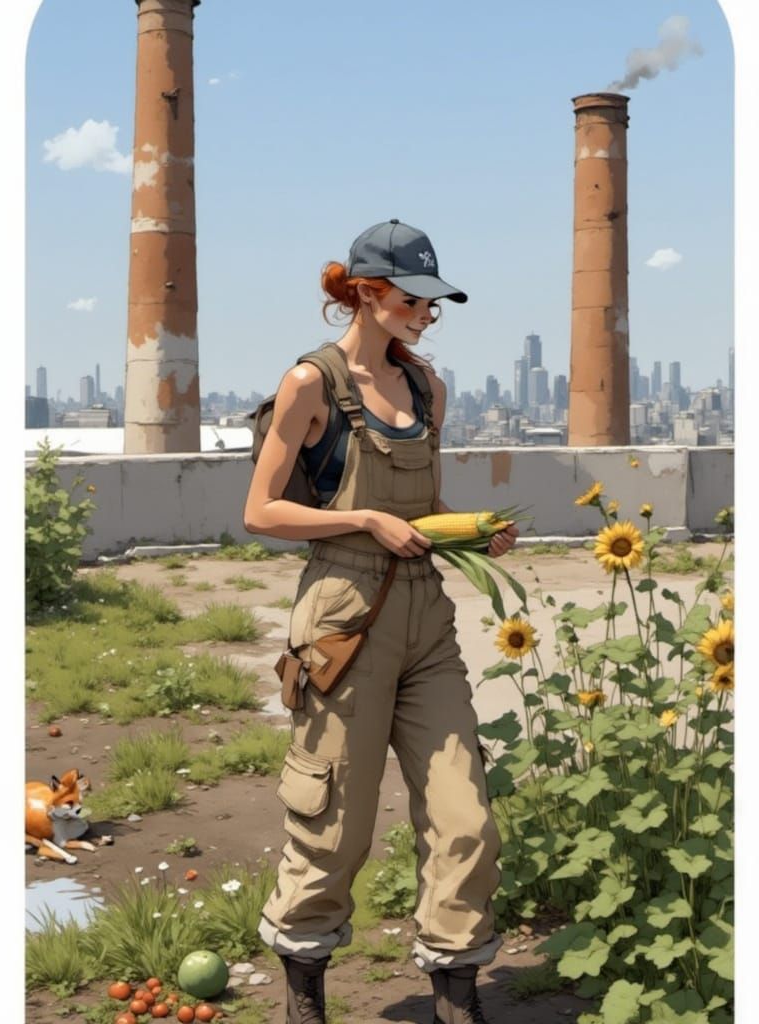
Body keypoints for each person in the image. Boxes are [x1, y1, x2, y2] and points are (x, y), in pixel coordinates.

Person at [243, 219, 518, 1024]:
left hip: (423, 613)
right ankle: (305, 998)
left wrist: (471, 530)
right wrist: (362, 522)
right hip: (342, 615)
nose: (427, 315)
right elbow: (262, 511)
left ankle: (457, 1001)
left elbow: (423, 507)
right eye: (412, 299)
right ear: (364, 293)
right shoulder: (310, 385)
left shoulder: (429, 387)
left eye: (434, 303)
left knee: (466, 814)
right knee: (334, 820)